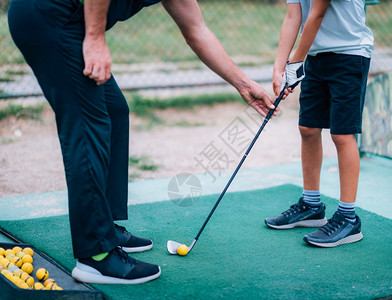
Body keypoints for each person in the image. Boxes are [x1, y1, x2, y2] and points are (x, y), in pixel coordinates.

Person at [8, 0, 278, 284]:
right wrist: (96, 38)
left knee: (113, 112)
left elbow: (196, 29)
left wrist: (244, 84)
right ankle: (96, 257)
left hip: (69, 22)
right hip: (50, 17)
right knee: (88, 126)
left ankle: (105, 228)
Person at [265, 0, 374, 247]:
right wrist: (279, 66)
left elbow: (317, 13)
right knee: (308, 128)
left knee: (342, 135)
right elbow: (294, 16)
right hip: (315, 56)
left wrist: (295, 62)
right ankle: (311, 206)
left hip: (349, 54)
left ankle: (348, 218)